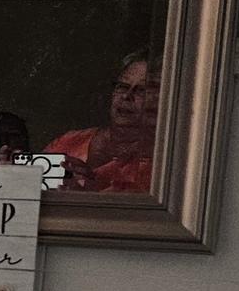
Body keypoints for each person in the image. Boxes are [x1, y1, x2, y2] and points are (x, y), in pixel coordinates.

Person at [45, 50, 159, 193]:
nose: (126, 96)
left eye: (142, 90)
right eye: (122, 86)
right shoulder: (71, 141)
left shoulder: (159, 166)